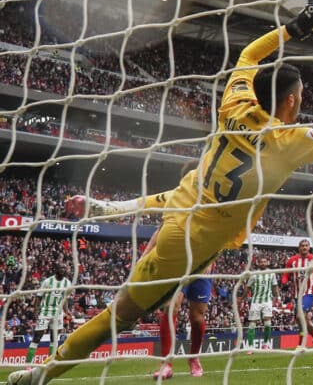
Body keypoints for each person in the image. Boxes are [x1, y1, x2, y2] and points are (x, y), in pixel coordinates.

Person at [7, 0, 313, 385]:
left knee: (128, 307)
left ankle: (47, 369)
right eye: (301, 97)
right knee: (120, 316)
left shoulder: (234, 101)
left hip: (183, 212)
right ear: (291, 100)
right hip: (190, 241)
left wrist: (294, 28)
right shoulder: (290, 141)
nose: (302, 104)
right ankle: (42, 376)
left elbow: (247, 58)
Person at [69, 160, 214, 381]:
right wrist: (144, 256)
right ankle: (166, 363)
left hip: (202, 266)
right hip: (177, 263)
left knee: (196, 317)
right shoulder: (177, 201)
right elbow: (162, 229)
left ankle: (194, 358)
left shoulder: (214, 202)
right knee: (168, 308)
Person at [282, 240, 313, 348]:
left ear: (309, 247)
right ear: (299, 248)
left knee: (299, 316)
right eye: (302, 246)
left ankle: (301, 345)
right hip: (297, 294)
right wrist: (284, 283)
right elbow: (285, 274)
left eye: (306, 246)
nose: (304, 248)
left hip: (309, 292)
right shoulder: (292, 261)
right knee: (302, 320)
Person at [25, 265, 72, 364]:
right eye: (61, 269)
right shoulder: (47, 282)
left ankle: (50, 362)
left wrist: (67, 311)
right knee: (37, 337)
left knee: (54, 339)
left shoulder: (67, 283)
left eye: (64, 269)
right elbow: (38, 297)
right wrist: (36, 311)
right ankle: (28, 364)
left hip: (58, 313)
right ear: (56, 270)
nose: (63, 271)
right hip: (45, 311)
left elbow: (65, 299)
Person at [241, 256, 279, 354]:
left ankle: (265, 344)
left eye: (264, 261)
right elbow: (247, 287)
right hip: (256, 301)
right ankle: (250, 347)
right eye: (261, 262)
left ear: (267, 262)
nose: (263, 263)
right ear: (258, 263)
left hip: (267, 301)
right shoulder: (253, 274)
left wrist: (277, 297)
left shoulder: (271, 274)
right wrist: (242, 298)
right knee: (252, 324)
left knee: (268, 324)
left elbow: (274, 287)